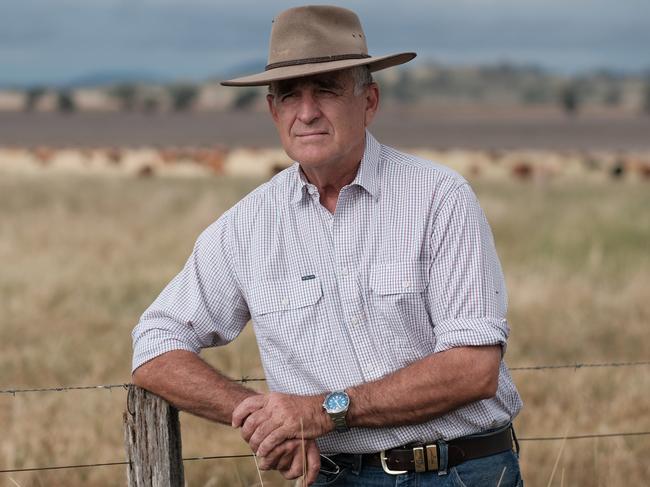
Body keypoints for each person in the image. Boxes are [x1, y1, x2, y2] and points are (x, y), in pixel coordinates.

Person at [131, 5, 523, 486]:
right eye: (289, 95)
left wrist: (324, 412)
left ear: (370, 101)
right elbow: (155, 345)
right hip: (334, 478)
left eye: (328, 90)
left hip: (458, 471)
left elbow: (473, 368)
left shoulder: (439, 199)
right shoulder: (247, 226)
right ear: (273, 111)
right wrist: (263, 418)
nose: (307, 111)